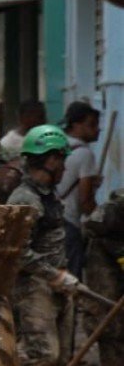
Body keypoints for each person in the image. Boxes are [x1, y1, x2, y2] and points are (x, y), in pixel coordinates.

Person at [7, 125, 81, 366]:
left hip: (57, 283)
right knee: (43, 353)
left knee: (64, 359)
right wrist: (54, 275)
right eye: (62, 159)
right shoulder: (25, 199)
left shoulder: (50, 194)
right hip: (33, 287)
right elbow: (18, 253)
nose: (64, 166)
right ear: (50, 160)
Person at [58, 100, 103, 277]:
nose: (98, 129)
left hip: (53, 218)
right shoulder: (85, 154)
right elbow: (85, 202)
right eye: (92, 125)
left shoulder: (60, 145)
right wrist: (100, 222)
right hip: (69, 223)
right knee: (72, 279)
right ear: (76, 125)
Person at [84, 188, 124, 366]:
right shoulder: (114, 208)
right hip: (104, 255)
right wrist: (120, 254)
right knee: (108, 314)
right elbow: (91, 227)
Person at [0, 99, 46, 163]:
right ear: (22, 118)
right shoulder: (8, 143)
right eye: (30, 116)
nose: (36, 120)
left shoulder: (47, 139)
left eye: (41, 117)